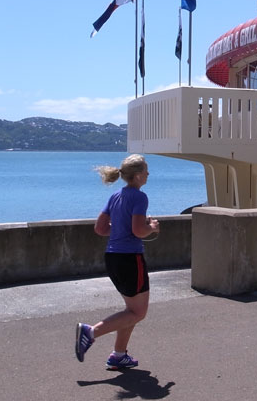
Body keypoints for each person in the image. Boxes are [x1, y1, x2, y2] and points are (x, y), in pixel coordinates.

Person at [75, 154, 160, 369]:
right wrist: (153, 227)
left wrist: (122, 229)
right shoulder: (139, 197)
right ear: (139, 175)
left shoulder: (115, 196)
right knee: (138, 313)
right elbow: (139, 231)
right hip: (130, 259)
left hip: (112, 258)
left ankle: (119, 355)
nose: (149, 174)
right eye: (146, 171)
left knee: (130, 311)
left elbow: (100, 228)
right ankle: (91, 332)